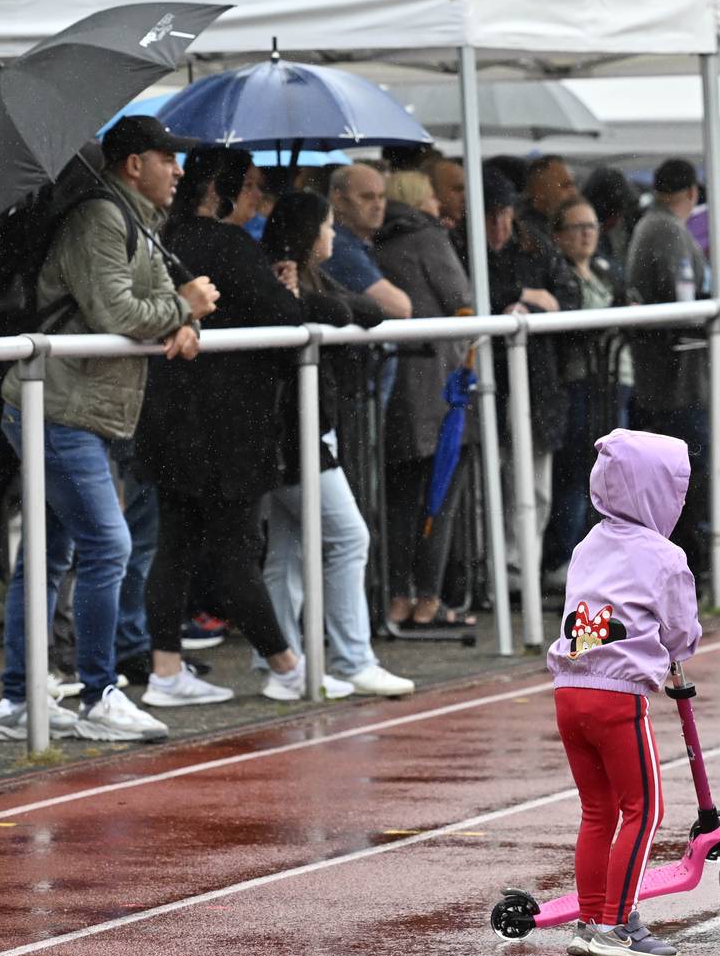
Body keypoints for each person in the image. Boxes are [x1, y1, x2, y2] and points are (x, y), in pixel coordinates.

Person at [0, 115, 216, 742]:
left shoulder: (134, 219)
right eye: (166, 157)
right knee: (109, 546)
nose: (178, 169)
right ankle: (98, 694)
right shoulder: (101, 218)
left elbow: (132, 308)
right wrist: (184, 308)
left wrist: (179, 321)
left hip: (75, 407)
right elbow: (115, 310)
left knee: (46, 556)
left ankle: (17, 702)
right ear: (132, 164)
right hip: (60, 408)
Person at [137, 147, 337, 709]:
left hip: (171, 416)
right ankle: (285, 665)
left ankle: (166, 668)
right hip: (227, 424)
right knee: (233, 547)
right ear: (217, 190)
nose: (257, 198)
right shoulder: (224, 244)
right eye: (247, 187)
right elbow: (287, 315)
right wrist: (301, 294)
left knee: (176, 544)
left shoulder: (167, 239)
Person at [546, 429, 702, 956]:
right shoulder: (664, 555)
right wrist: (677, 646)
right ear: (659, 494)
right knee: (644, 809)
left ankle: (590, 919)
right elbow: (681, 630)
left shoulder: (588, 545)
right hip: (618, 701)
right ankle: (617, 925)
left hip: (569, 691)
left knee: (598, 809)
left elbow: (588, 613)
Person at [258, 189, 414, 698]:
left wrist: (312, 301)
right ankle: (350, 657)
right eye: (325, 227)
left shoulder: (308, 281)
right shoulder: (275, 279)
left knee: (286, 551)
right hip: (288, 431)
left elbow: (365, 311)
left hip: (299, 429)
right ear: (307, 232)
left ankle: (284, 667)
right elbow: (351, 313)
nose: (331, 236)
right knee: (349, 537)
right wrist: (306, 302)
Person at [377, 166, 478, 634]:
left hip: (393, 386)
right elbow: (463, 304)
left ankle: (397, 594)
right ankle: (429, 598)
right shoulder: (429, 237)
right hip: (441, 390)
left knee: (398, 501)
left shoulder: (370, 242)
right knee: (440, 499)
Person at [487, 171, 581, 572]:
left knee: (536, 486)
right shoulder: (462, 246)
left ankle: (523, 565)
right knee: (496, 481)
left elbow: (569, 296)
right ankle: (497, 567)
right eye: (491, 216)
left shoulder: (533, 246)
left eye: (505, 214)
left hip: (537, 383)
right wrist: (522, 296)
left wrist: (533, 305)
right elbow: (466, 295)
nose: (499, 226)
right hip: (490, 383)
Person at [625, 157, 712, 579]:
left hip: (661, 379)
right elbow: (685, 306)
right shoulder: (667, 231)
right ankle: (687, 570)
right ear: (693, 192)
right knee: (684, 483)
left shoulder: (649, 226)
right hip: (675, 383)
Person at [549, 196, 628, 572]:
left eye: (592, 226)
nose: (586, 234)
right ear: (558, 236)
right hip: (580, 383)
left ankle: (598, 556)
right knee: (578, 471)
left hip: (616, 381)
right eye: (577, 227)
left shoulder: (607, 270)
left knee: (609, 476)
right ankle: (566, 556)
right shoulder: (559, 276)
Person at [325, 163, 412, 320]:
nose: (378, 205)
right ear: (339, 199)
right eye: (367, 197)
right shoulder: (338, 245)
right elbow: (400, 307)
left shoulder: (355, 241)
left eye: (381, 196)